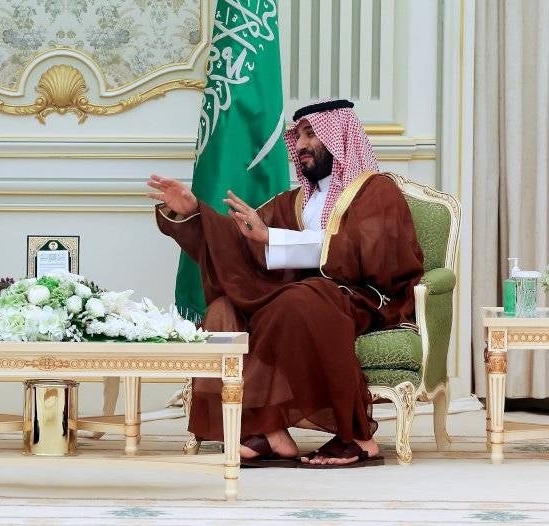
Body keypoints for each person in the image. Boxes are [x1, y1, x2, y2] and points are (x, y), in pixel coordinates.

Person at [148, 99, 424, 468]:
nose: (302, 145)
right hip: (300, 296)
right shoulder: (294, 202)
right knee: (224, 310)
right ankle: (268, 433)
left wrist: (272, 239)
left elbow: (364, 252)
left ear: (339, 137)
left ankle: (358, 437)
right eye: (299, 137)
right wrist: (195, 212)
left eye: (312, 134)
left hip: (361, 297)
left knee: (298, 301)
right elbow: (241, 244)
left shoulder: (375, 190)